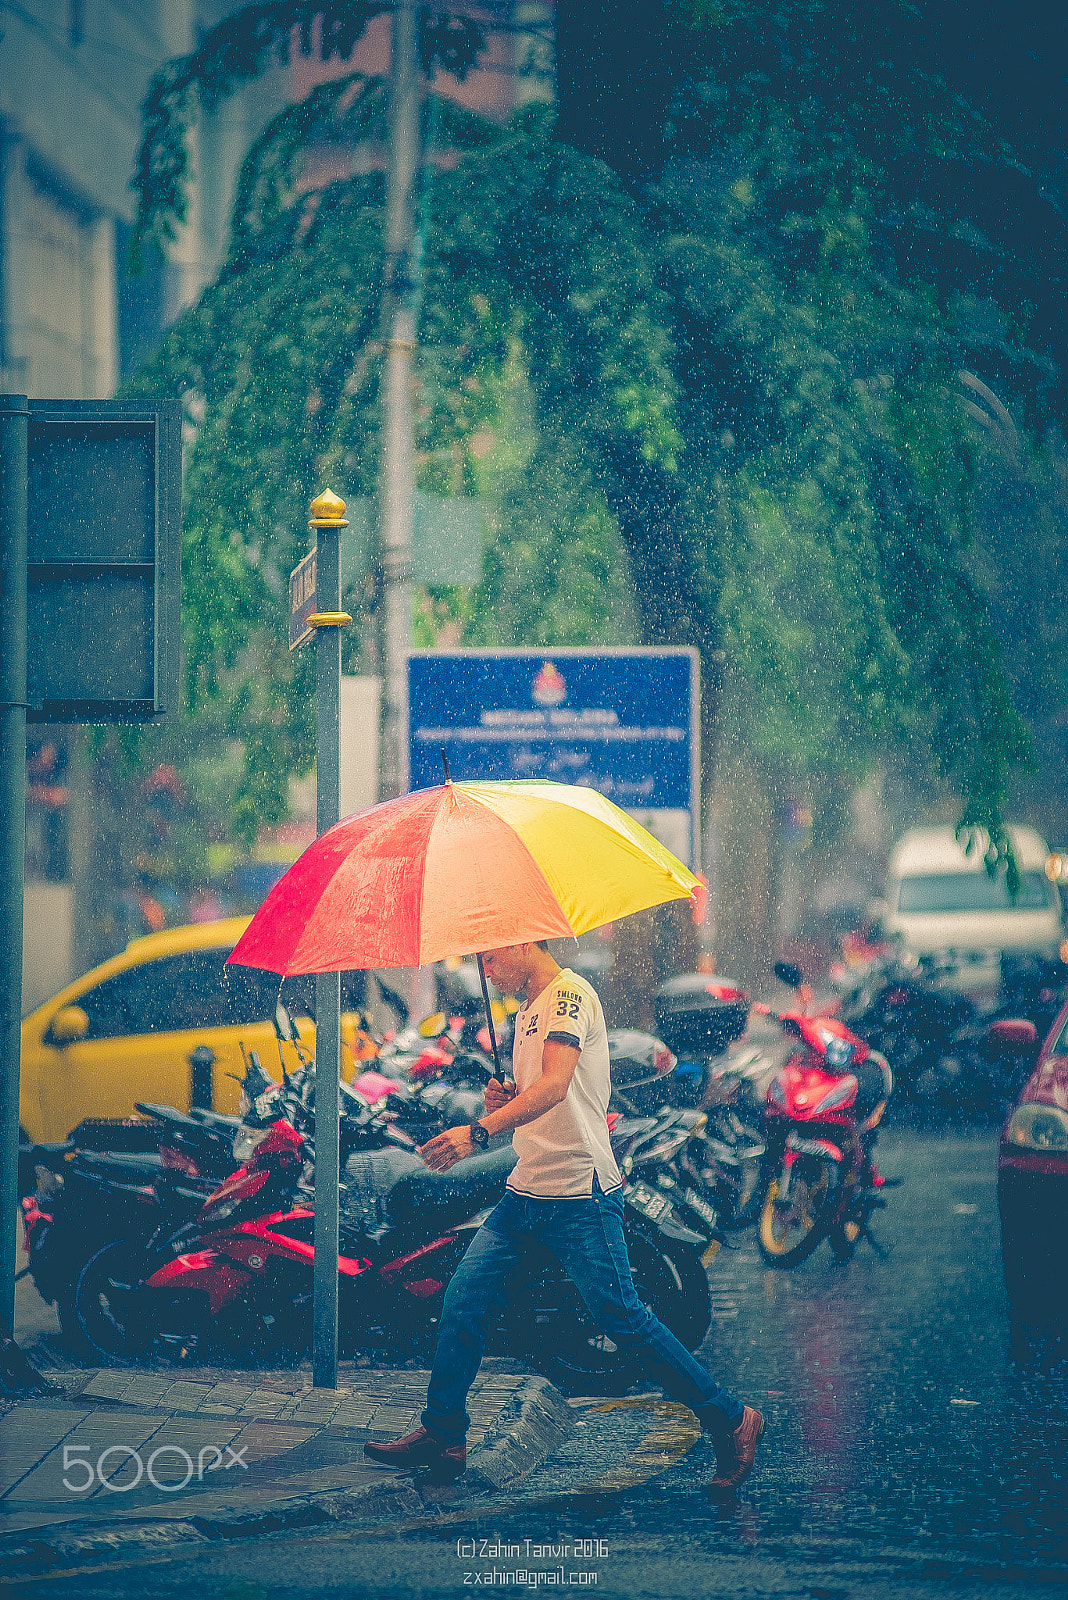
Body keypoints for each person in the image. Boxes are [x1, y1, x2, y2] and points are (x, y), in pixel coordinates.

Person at [364, 940, 764, 1498]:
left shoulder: (569, 996)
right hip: (527, 1189)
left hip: (579, 1191)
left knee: (624, 1319)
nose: (487, 969)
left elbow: (556, 1086)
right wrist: (502, 1099)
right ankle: (444, 1432)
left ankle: (729, 1417)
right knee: (463, 1300)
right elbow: (543, 1094)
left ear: (525, 944)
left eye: (491, 957)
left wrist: (479, 1133)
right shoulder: (530, 1010)